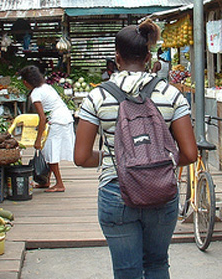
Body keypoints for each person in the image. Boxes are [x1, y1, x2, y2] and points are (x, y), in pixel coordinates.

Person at [74, 19, 197, 278]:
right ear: (149, 56)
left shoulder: (97, 97)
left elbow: (81, 157)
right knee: (157, 264)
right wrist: (158, 162)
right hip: (162, 192)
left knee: (126, 270)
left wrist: (114, 156)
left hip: (116, 191)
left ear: (117, 58)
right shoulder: (171, 94)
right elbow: (189, 154)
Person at [20, 65, 75, 193]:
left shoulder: (35, 94)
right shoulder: (46, 87)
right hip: (65, 118)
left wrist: (38, 140)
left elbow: (42, 118)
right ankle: (46, 181)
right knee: (49, 151)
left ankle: (59, 184)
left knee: (51, 153)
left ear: (26, 82)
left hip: (57, 121)